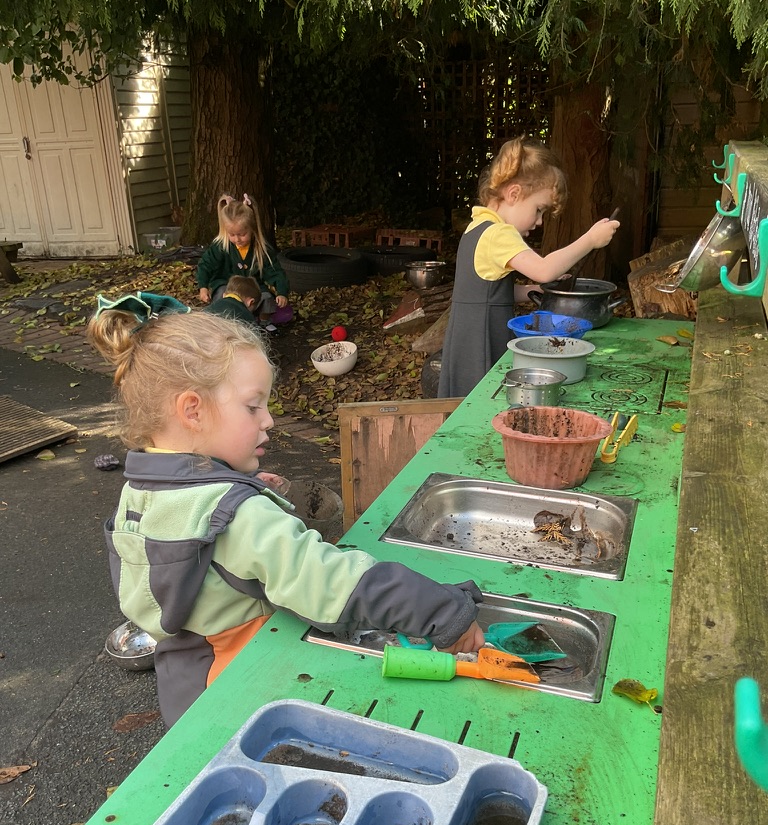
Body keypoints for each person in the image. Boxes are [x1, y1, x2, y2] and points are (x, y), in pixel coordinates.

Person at [87, 307, 485, 728]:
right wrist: (441, 612)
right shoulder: (238, 516)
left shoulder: (139, 493)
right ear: (193, 411)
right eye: (253, 407)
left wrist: (242, 484)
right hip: (244, 696)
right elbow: (332, 582)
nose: (269, 420)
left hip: (186, 691)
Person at [438, 137, 620, 398]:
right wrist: (590, 240)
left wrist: (535, 290)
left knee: (464, 401)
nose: (539, 222)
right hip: (481, 343)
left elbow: (487, 293)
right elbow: (545, 269)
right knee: (483, 401)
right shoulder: (499, 234)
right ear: (514, 194)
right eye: (538, 210)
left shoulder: (475, 228)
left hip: (464, 342)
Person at [197, 193, 291, 333]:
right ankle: (225, 324)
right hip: (227, 286)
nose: (237, 239)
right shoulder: (221, 246)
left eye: (242, 234)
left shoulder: (260, 249)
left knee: (266, 297)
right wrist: (203, 286)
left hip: (252, 287)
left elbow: (275, 271)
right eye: (232, 235)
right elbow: (205, 265)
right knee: (222, 295)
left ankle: (264, 323)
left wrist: (282, 292)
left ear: (252, 229)